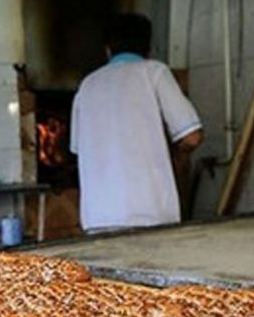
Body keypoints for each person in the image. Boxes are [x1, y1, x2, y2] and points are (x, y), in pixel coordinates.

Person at [69, 13, 203, 234]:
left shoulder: (87, 85)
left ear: (108, 49)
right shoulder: (154, 72)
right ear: (149, 49)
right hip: (149, 214)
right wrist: (176, 158)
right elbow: (192, 137)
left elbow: (77, 150)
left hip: (97, 219)